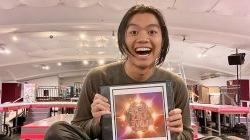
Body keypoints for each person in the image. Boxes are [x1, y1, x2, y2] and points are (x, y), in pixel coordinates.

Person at [45, 5, 193, 140]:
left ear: (163, 40)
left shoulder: (176, 84)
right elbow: (77, 128)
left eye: (152, 31)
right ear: (123, 40)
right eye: (134, 32)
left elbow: (187, 134)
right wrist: (98, 122)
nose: (143, 39)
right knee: (57, 131)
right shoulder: (97, 77)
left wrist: (175, 133)